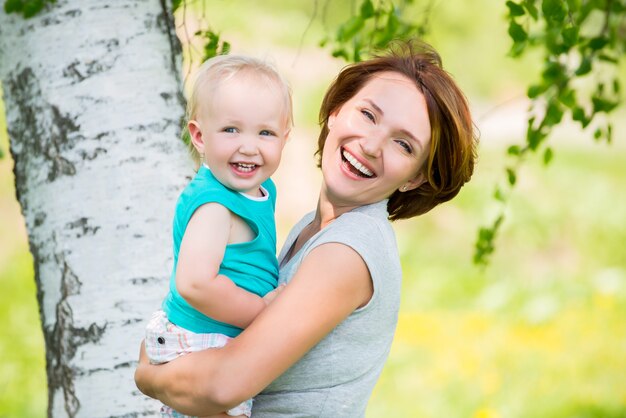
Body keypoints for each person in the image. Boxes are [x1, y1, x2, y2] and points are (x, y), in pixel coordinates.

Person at [136, 41, 477, 417]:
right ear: (335, 112)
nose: (372, 145)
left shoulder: (349, 250)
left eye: (403, 144)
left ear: (414, 180)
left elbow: (223, 385)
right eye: (368, 114)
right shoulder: (313, 227)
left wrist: (147, 376)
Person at [143, 54, 292, 418]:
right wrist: (260, 312)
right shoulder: (214, 207)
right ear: (199, 136)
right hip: (200, 343)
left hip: (217, 338)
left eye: (265, 132)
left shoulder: (260, 189)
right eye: (231, 130)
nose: (249, 146)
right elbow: (195, 284)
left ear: (285, 138)